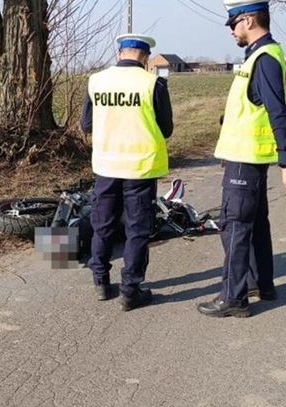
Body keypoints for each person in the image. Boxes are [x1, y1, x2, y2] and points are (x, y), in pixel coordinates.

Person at [197, 0, 286, 318]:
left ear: (249, 20)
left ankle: (233, 298)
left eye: (233, 23)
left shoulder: (264, 58)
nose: (231, 31)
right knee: (255, 224)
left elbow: (279, 113)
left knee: (234, 226)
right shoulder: (260, 56)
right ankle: (261, 284)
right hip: (247, 157)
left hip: (244, 159)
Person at [80, 34, 173, 309]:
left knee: (103, 224)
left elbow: (86, 124)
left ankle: (100, 281)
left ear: (119, 53)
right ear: (145, 58)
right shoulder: (154, 83)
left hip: (107, 165)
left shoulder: (96, 81)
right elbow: (166, 129)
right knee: (137, 228)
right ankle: (130, 290)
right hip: (140, 167)